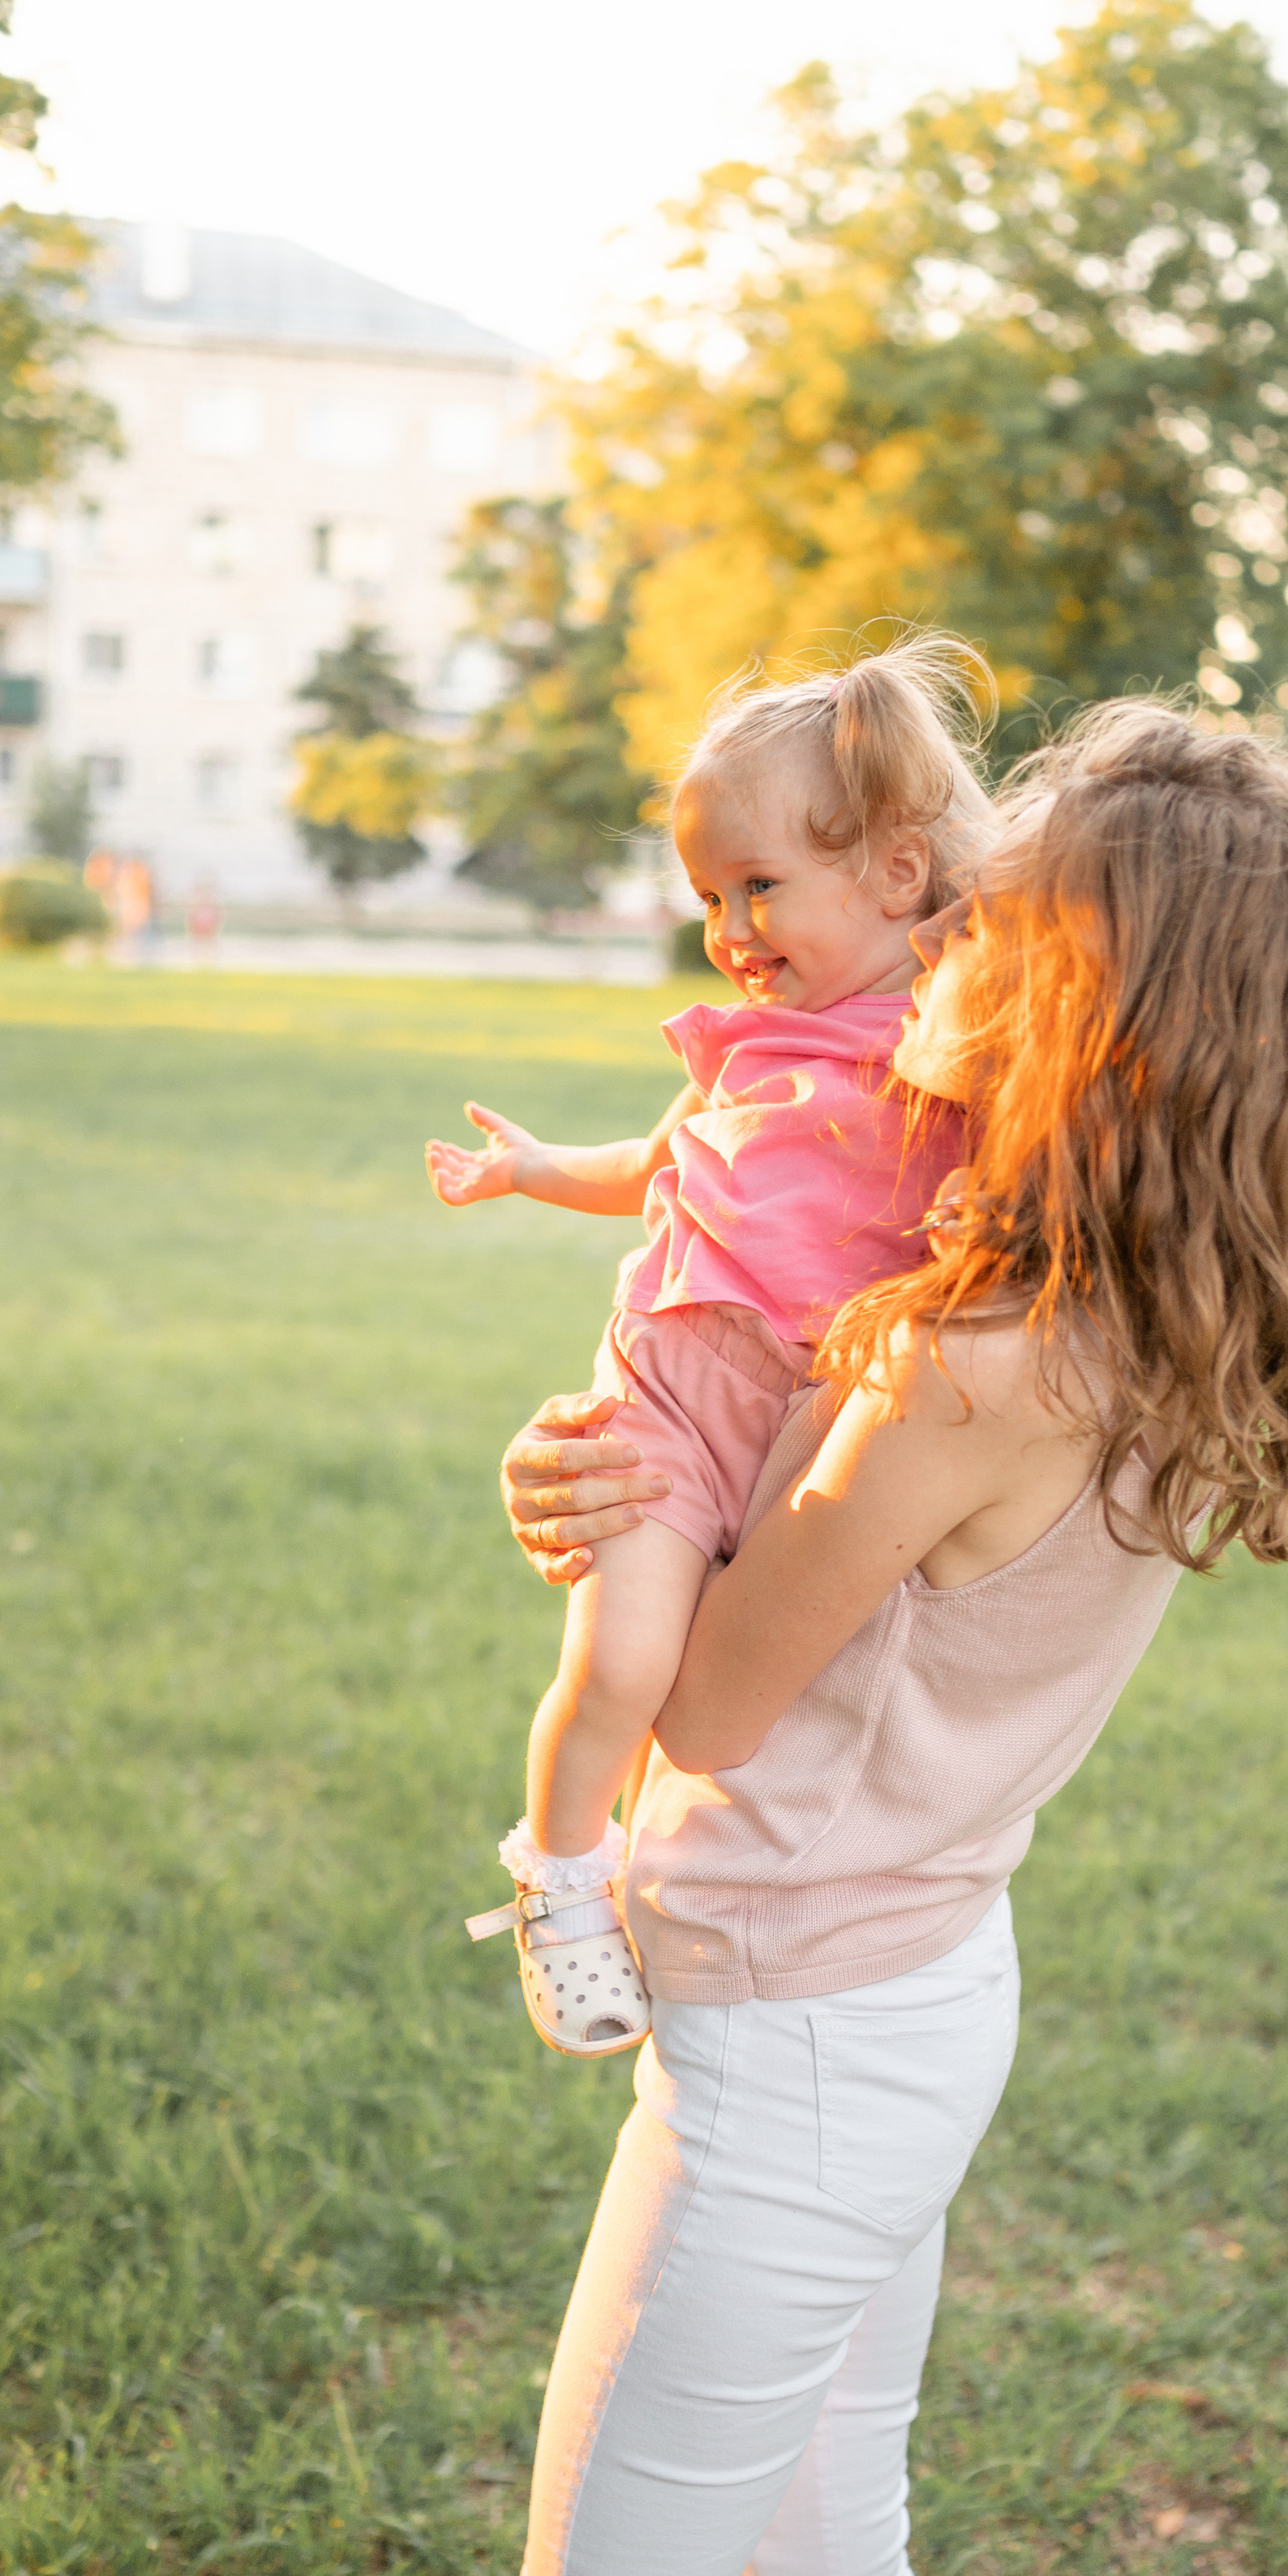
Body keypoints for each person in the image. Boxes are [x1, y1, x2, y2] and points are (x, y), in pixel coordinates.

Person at [487, 701, 1288, 2576]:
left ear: (1084, 994)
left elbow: (708, 1699)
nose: (946, 942)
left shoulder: (965, 1359)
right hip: (917, 1994)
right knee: (831, 2575)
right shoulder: (1140, 1297)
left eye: (1000, 920)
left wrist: (596, 1503)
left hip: (795, 2053)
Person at [424, 639, 994, 2056]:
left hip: (818, 1415)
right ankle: (560, 1877)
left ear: (898, 875)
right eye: (706, 899)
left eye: (758, 887)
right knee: (621, 1667)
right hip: (673, 1387)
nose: (729, 928)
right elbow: (668, 1162)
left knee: (763, 1680)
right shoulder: (752, 1045)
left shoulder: (954, 1035)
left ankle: (702, 1888)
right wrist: (539, 1170)